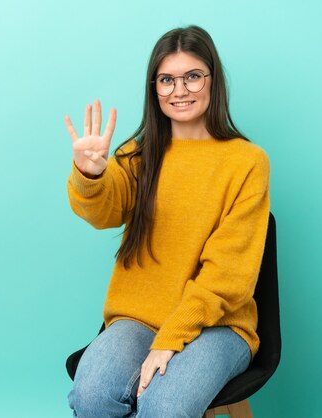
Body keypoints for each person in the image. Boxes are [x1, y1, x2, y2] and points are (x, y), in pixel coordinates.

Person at [63, 25, 270, 418]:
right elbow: (102, 212)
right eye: (166, 80)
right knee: (91, 397)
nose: (179, 90)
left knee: (164, 407)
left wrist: (171, 339)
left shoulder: (247, 162)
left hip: (218, 326)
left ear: (213, 80)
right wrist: (89, 174)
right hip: (137, 318)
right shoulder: (138, 154)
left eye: (192, 76)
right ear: (154, 88)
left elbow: (228, 275)